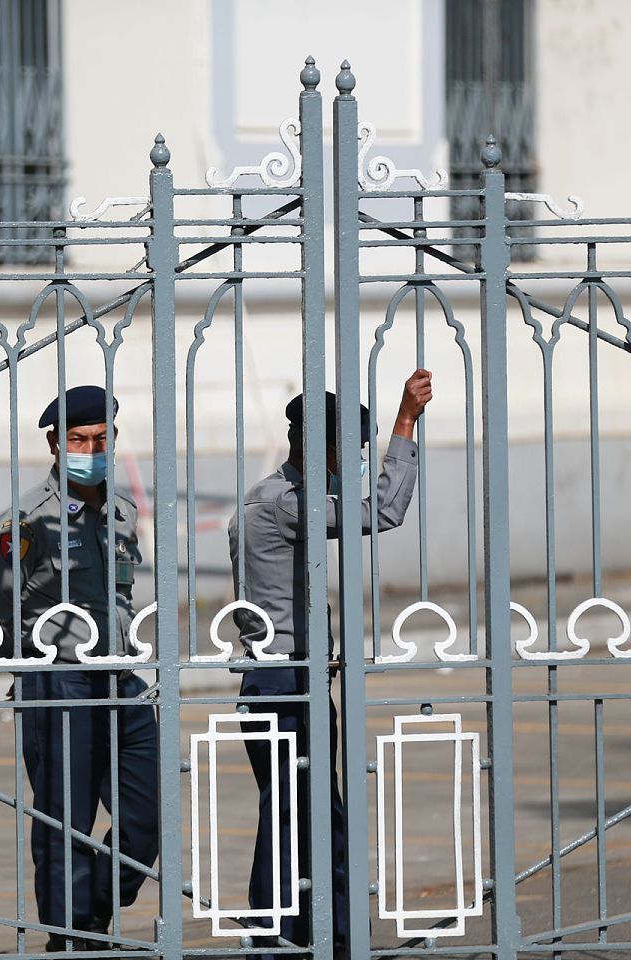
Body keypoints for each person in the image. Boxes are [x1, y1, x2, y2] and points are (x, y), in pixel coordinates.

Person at [226, 370, 433, 958]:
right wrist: (404, 424)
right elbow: (385, 511)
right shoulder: (283, 504)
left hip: (301, 674)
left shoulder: (288, 498)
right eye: (357, 451)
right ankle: (273, 941)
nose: (361, 462)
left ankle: (337, 939)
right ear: (317, 449)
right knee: (291, 815)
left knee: (323, 816)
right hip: (279, 679)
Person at [0, 385, 158, 951]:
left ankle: (95, 907)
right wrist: (33, 665)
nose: (90, 448)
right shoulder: (27, 521)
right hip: (60, 679)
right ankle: (69, 936)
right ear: (55, 443)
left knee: (149, 812)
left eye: (101, 439)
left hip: (121, 678)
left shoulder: (123, 512)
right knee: (64, 819)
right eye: (78, 439)